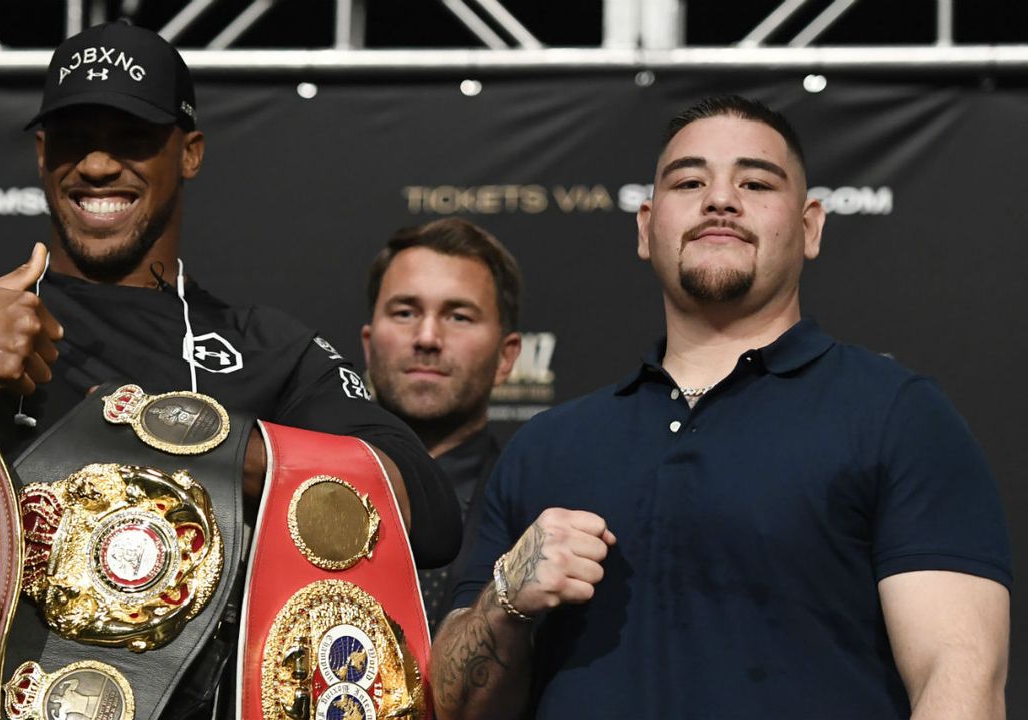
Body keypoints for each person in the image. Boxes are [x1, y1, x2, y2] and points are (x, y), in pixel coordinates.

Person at [430, 95, 1011, 719]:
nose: (720, 199)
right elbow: (456, 706)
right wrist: (506, 599)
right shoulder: (546, 447)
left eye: (756, 181)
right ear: (646, 227)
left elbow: (960, 679)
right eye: (689, 181)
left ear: (811, 226)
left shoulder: (896, 415)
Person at [0, 23, 460, 563]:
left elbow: (426, 511)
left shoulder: (269, 351)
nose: (96, 165)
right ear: (40, 154)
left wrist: (177, 435)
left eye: (130, 136)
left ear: (189, 154)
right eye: (72, 137)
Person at [361, 218, 521, 632]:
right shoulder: (294, 490)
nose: (427, 336)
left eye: (459, 316)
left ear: (506, 358)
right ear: (367, 343)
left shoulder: (535, 509)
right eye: (405, 312)